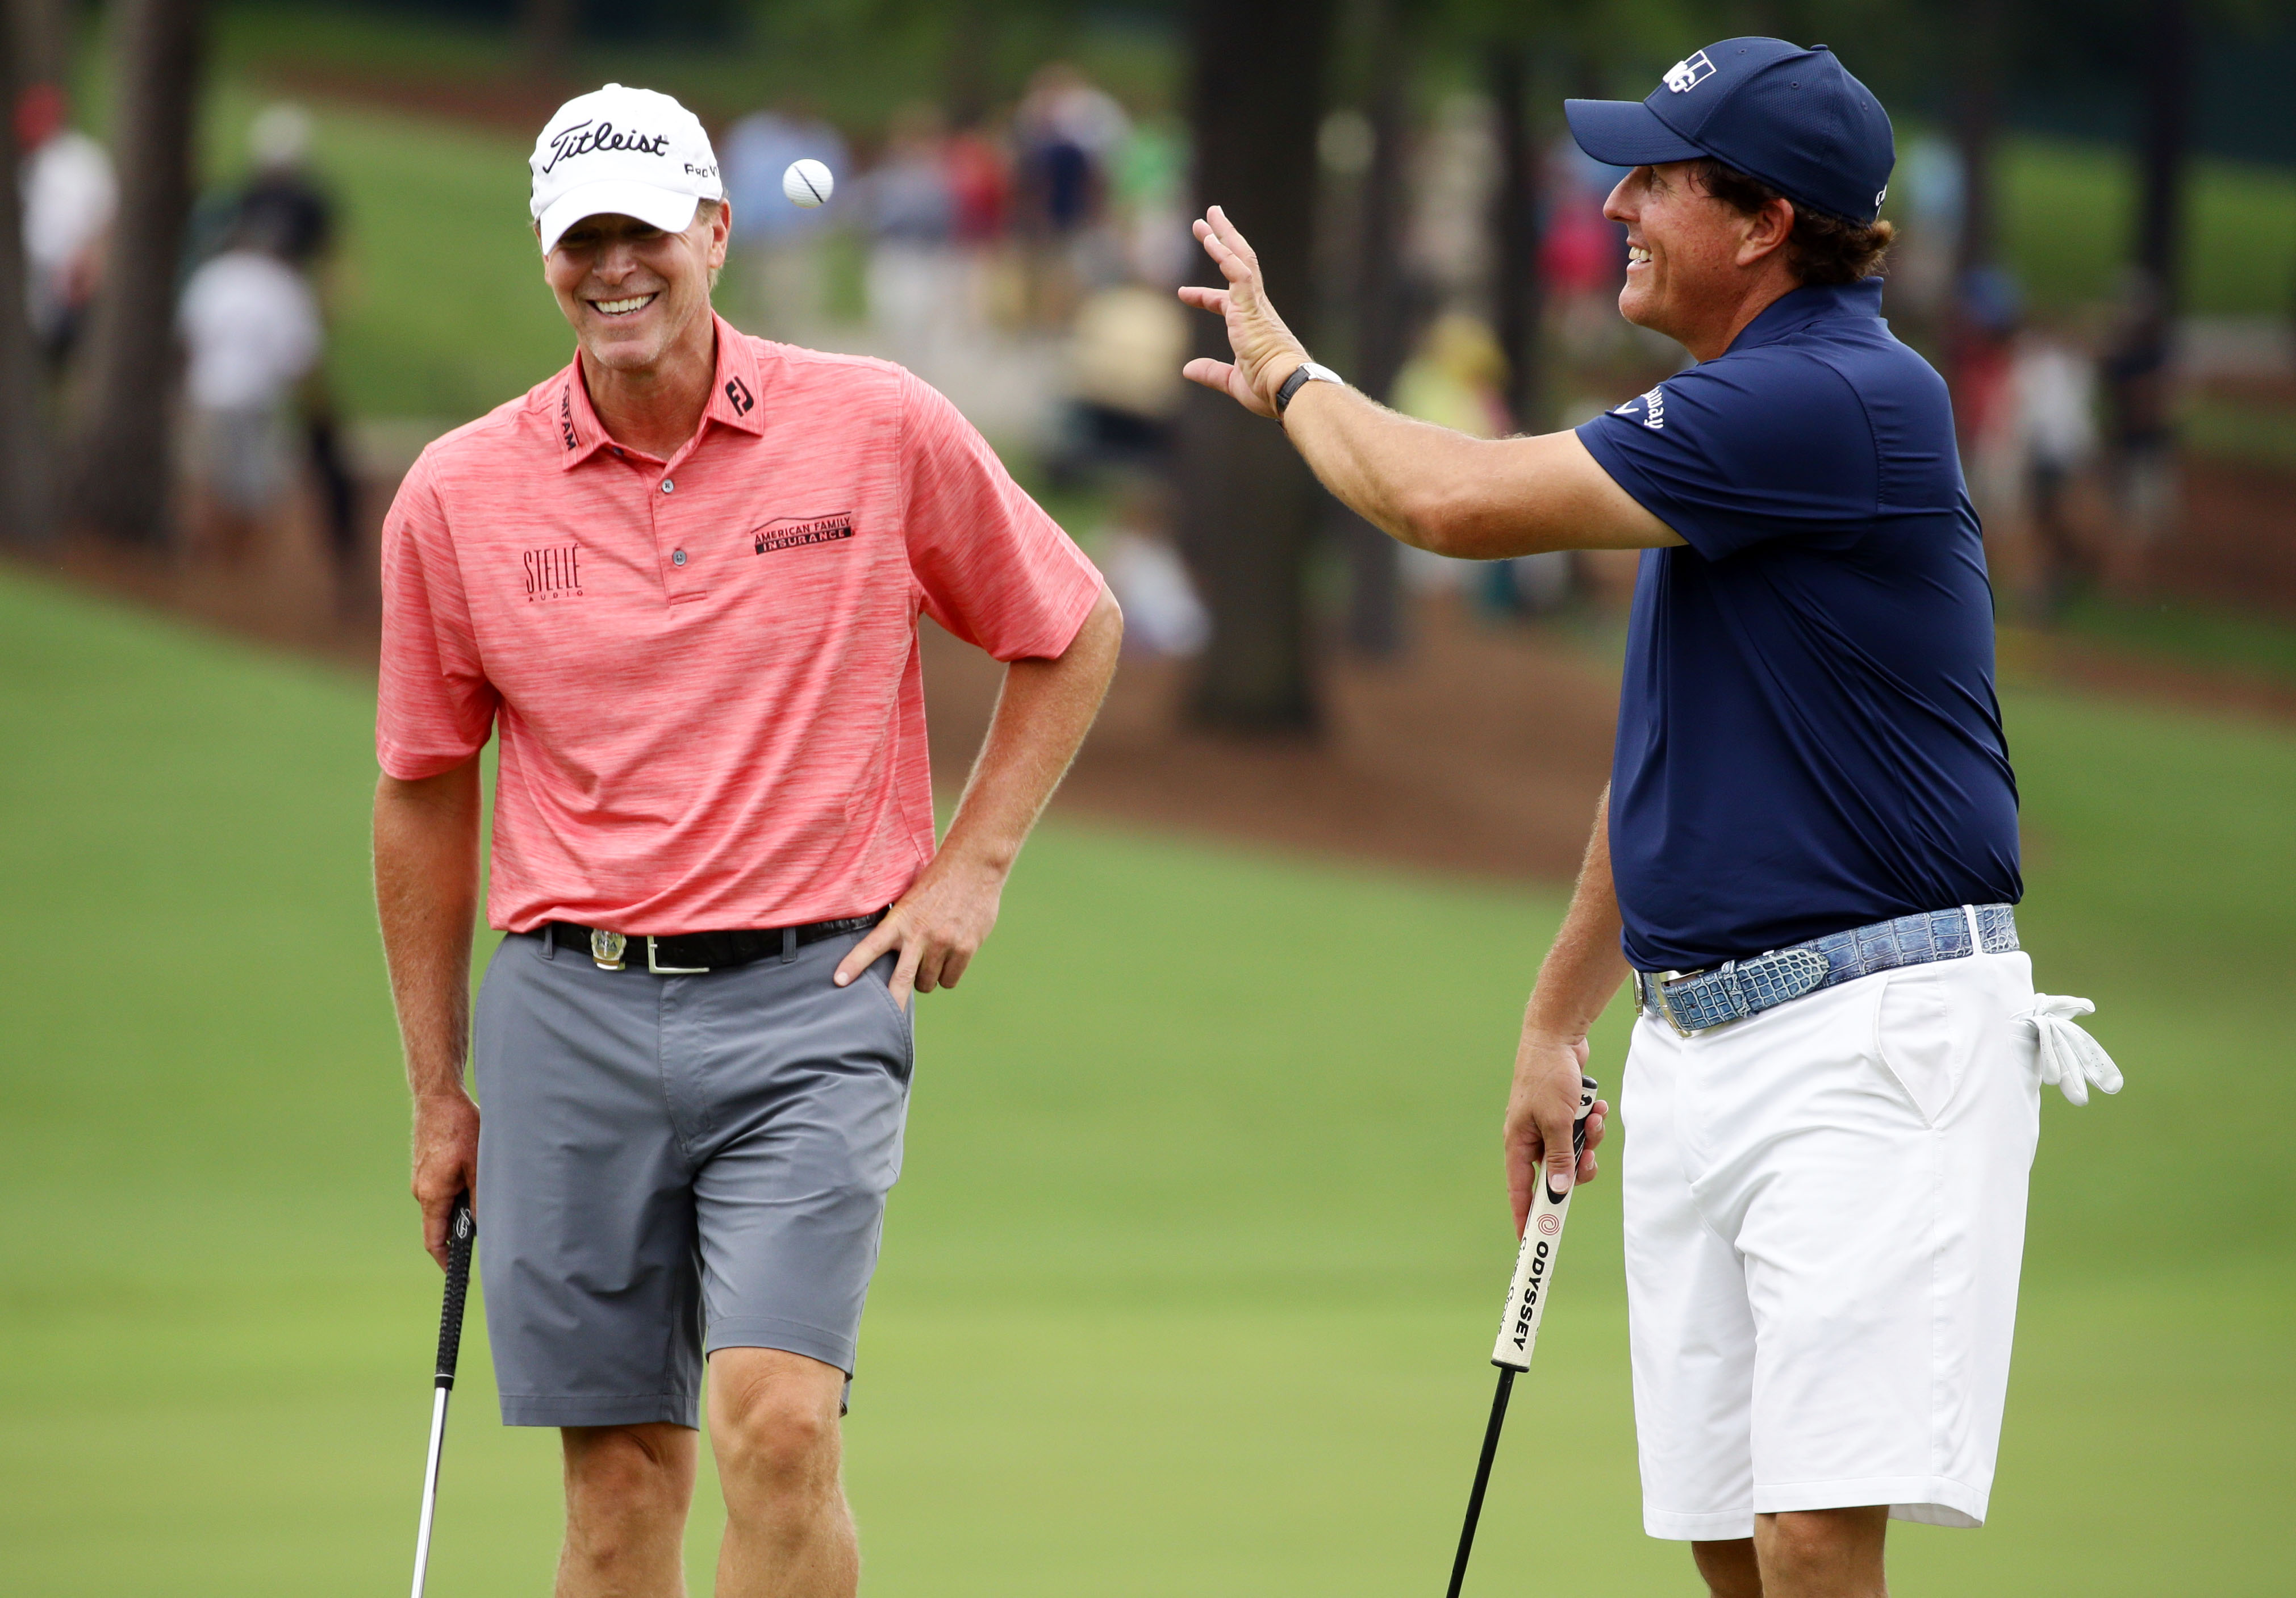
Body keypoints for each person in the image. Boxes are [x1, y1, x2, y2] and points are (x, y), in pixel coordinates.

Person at [1179, 38, 2122, 1598]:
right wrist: (1558, 1018)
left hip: (1872, 1040)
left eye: (1656, 179)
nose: (1613, 199)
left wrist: (1290, 374)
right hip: (1704, 1044)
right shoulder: (1743, 417)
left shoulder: (1832, 397)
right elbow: (1676, 755)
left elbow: (1450, 505)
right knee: (1728, 1534)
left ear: (1762, 220)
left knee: (1814, 1538)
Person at [373, 84, 1121, 1598]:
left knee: (780, 1430)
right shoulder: (457, 492)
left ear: (714, 231)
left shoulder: (876, 427)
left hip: (808, 1003)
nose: (614, 266)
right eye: (582, 238)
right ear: (547, 259)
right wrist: (438, 1090)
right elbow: (422, 784)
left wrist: (974, 860)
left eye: (644, 229)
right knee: (614, 1496)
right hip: (566, 1011)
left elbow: (1072, 624)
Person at [177, 213, 323, 564]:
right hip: (259, 399)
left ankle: (205, 564)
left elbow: (187, 340)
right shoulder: (285, 285)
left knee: (204, 479)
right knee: (256, 490)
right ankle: (238, 565)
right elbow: (301, 359)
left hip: (207, 391)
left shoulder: (213, 276)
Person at [16, 82, 114, 371]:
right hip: (39, 273)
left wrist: (88, 263)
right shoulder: (29, 165)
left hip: (73, 272)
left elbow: (103, 216)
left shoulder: (81, 159)